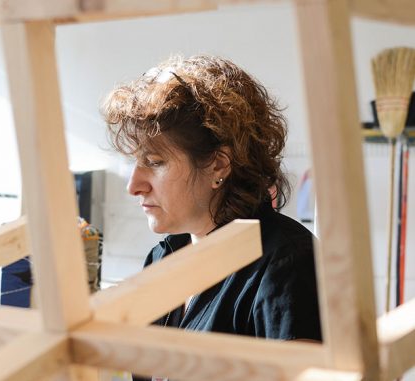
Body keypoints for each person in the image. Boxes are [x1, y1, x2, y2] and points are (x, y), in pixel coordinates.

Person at [101, 55, 322, 380]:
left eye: (155, 161)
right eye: (135, 162)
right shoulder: (164, 258)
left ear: (218, 165)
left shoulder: (287, 263)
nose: (134, 185)